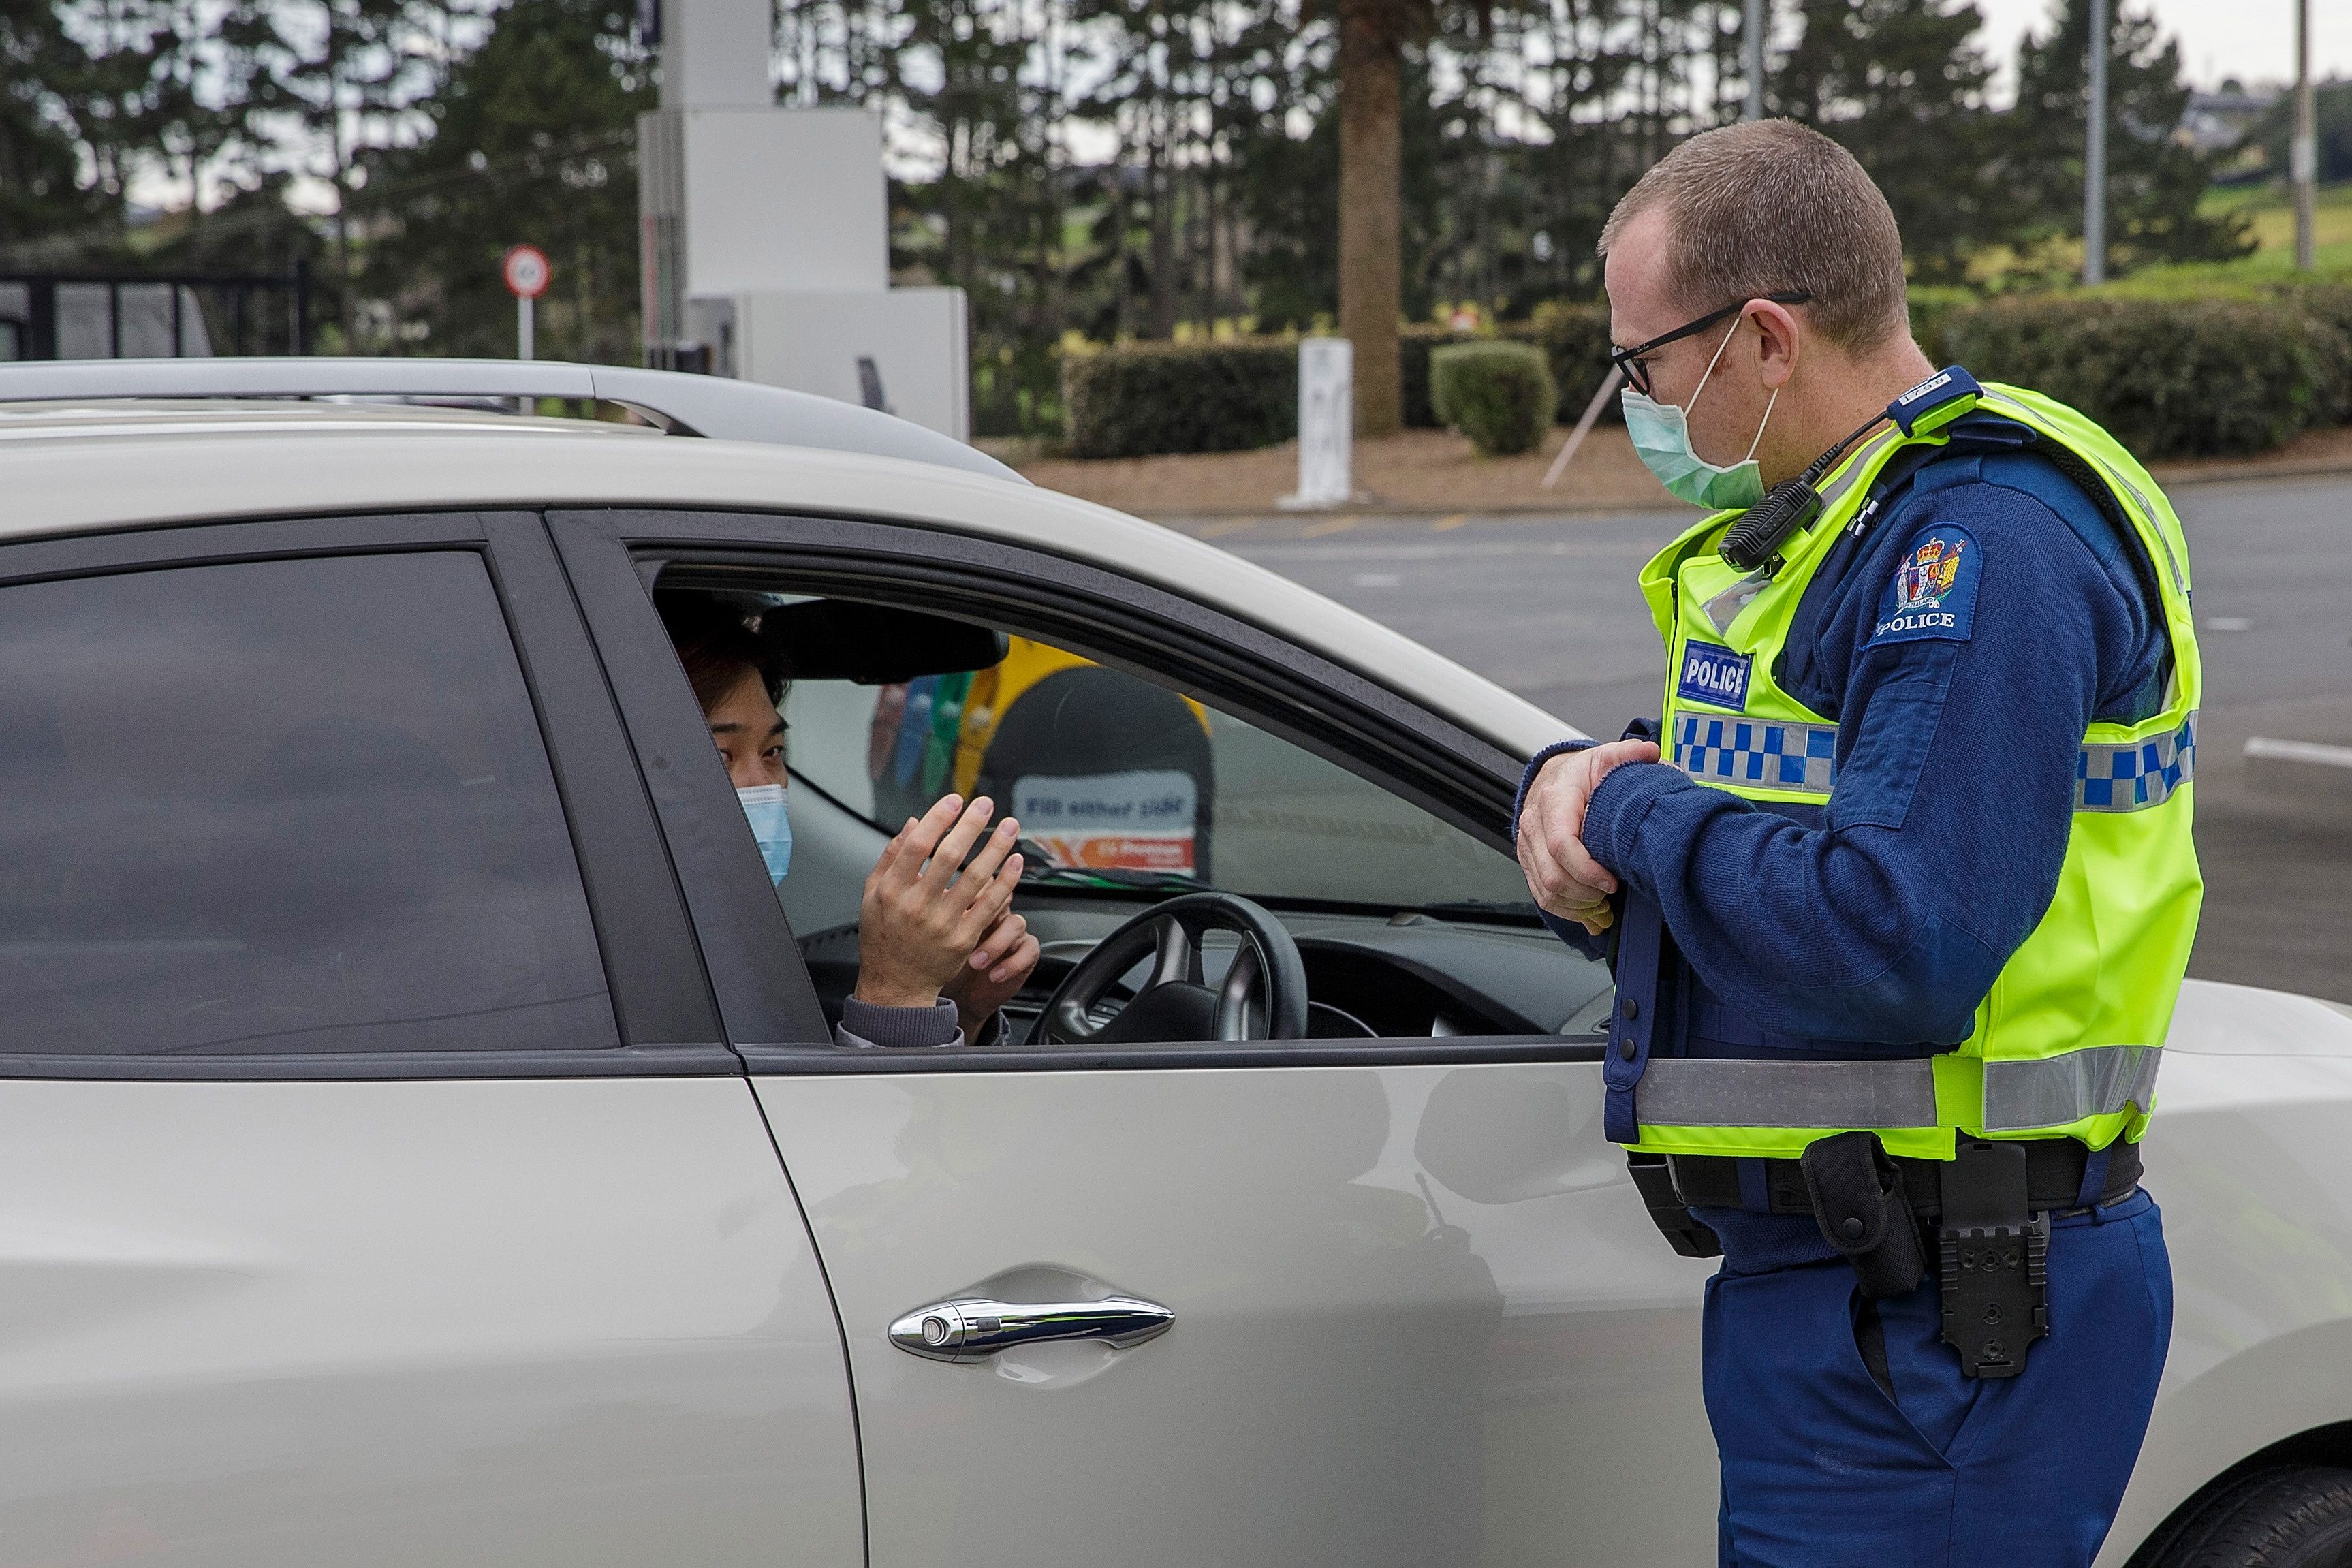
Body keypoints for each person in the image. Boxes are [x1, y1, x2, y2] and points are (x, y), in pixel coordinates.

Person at [1514, 120, 2197, 1567]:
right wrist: (1581, 786)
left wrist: (1628, 812)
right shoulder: (1850, 528)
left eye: (1641, 366)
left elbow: (1899, 935)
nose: (1638, 405)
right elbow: (1778, 786)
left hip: (1941, 1311)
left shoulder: (1977, 548)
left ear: (1760, 339)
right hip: (1860, 1288)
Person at [670, 605, 1041, 1049]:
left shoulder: (730, 945)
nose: (764, 785)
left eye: (772, 751)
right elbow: (834, 1119)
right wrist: (895, 995)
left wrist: (958, 1008)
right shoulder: (609, 964)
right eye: (721, 755)